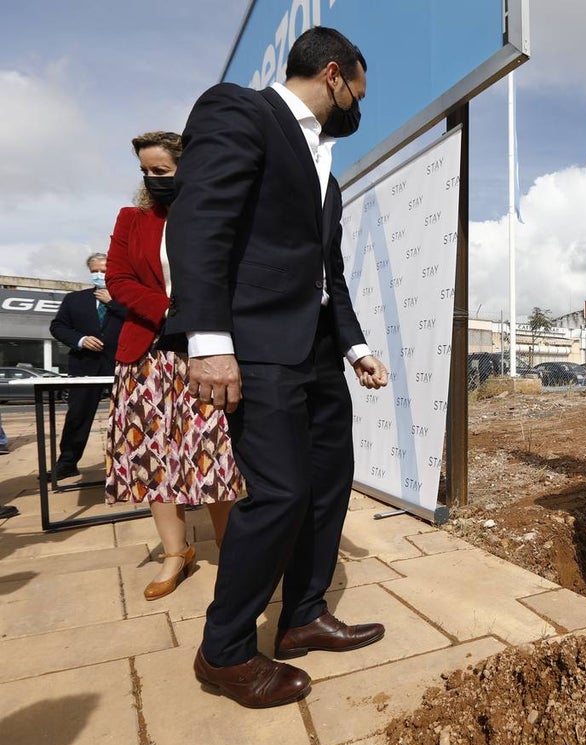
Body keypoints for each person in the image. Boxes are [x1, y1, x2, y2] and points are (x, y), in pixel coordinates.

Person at [166, 27, 390, 709]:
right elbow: (200, 220)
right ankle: (224, 648)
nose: (356, 106)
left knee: (327, 481)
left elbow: (330, 274)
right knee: (279, 491)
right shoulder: (240, 111)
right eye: (356, 91)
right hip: (257, 342)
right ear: (333, 73)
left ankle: (301, 615)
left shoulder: (326, 168)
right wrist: (207, 338)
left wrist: (354, 348)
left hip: (318, 349)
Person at [104, 131, 243, 601]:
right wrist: (168, 309)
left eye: (160, 170)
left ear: (188, 166)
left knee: (215, 455)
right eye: (145, 171)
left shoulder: (217, 213)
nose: (151, 179)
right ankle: (175, 552)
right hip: (146, 356)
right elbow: (118, 279)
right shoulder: (133, 219)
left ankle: (231, 548)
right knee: (153, 460)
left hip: (207, 354)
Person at [48, 254, 124, 480]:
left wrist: (113, 303)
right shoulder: (74, 299)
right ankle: (68, 462)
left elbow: (139, 320)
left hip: (120, 364)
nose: (99, 274)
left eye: (103, 269)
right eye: (94, 271)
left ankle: (127, 465)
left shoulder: (126, 297)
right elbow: (58, 326)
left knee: (126, 417)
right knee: (77, 415)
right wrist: (80, 340)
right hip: (85, 365)